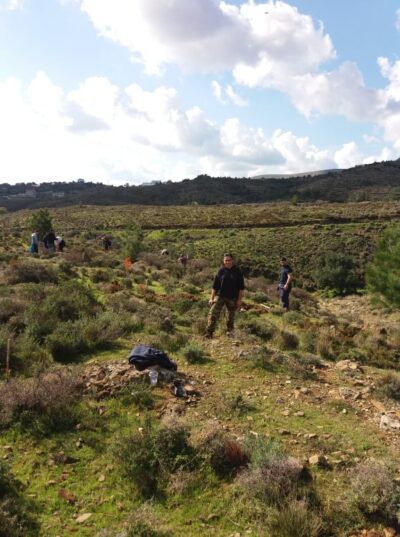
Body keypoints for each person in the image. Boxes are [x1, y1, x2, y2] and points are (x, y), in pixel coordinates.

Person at [205, 253, 244, 338]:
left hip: (232, 297)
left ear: (232, 261)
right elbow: (215, 286)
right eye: (226, 260)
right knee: (213, 313)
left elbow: (241, 288)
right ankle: (209, 332)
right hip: (220, 296)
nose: (227, 262)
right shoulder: (221, 271)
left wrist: (239, 300)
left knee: (231, 316)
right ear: (223, 261)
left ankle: (230, 332)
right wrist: (211, 298)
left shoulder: (238, 271)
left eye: (229, 260)